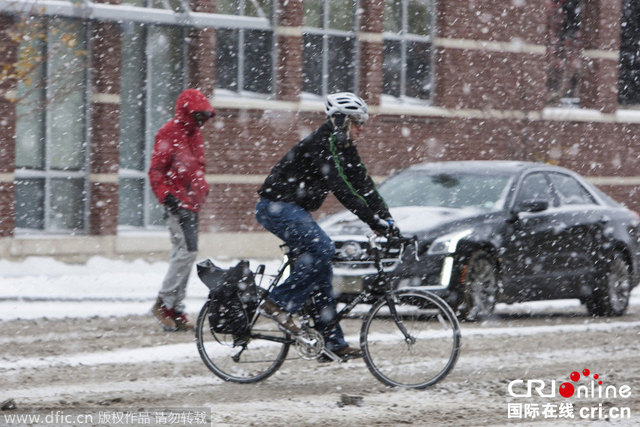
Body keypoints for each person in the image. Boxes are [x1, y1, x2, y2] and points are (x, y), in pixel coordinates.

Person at [255, 92, 399, 361]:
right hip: (276, 206)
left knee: (322, 271)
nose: (361, 129)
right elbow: (342, 188)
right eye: (357, 122)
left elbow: (363, 185)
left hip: (293, 209)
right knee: (322, 248)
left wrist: (387, 220)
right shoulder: (322, 143)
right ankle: (277, 302)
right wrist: (371, 220)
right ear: (341, 120)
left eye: (363, 123)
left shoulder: (344, 147)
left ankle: (330, 343)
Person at [148, 89, 215, 331]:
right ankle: (163, 303)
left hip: (192, 203)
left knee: (185, 254)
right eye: (197, 116)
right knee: (185, 253)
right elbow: (156, 170)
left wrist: (201, 189)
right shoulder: (169, 132)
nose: (200, 122)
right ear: (187, 112)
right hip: (177, 203)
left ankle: (174, 308)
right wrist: (166, 196)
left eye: (203, 117)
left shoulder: (195, 135)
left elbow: (197, 167)